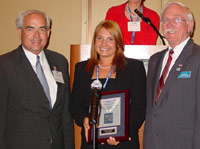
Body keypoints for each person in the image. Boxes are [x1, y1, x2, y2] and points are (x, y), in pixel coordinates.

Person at [0, 10, 74, 149]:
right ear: (19, 32)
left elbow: (65, 114)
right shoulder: (4, 65)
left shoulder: (60, 61)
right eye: (30, 29)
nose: (37, 35)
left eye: (42, 29)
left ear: (48, 33)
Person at [70, 20, 146, 149]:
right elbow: (75, 105)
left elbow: (140, 108)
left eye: (110, 39)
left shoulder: (134, 68)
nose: (104, 43)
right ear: (94, 41)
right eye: (100, 38)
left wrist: (121, 132)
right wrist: (84, 120)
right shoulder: (82, 68)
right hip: (91, 141)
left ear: (118, 43)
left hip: (123, 142)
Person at [143, 2, 200, 149]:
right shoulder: (155, 60)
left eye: (176, 19)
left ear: (190, 25)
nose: (169, 24)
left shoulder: (198, 57)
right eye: (165, 20)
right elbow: (152, 110)